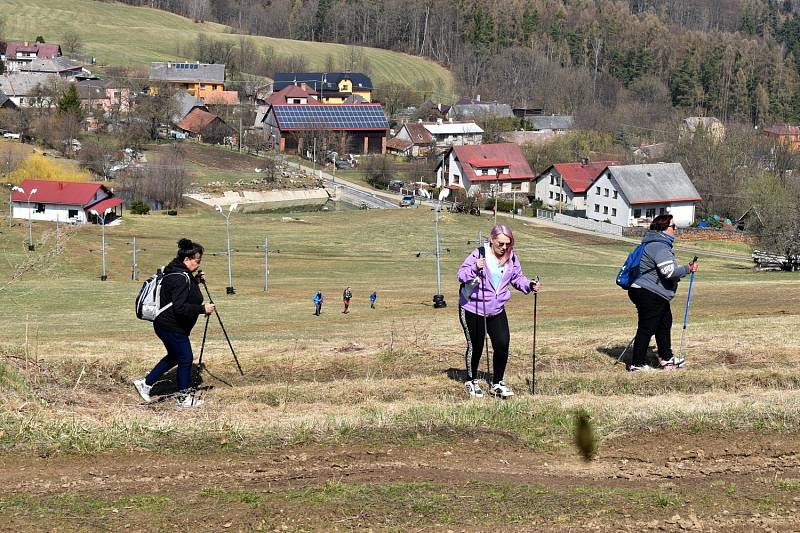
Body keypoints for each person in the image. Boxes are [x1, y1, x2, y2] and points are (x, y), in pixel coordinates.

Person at [457, 224, 540, 398]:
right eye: (500, 244)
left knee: (502, 344)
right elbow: (461, 275)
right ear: (492, 240)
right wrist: (474, 268)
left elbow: (517, 278)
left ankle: (497, 383)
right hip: (473, 307)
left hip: (496, 308)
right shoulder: (479, 254)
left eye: (507, 244)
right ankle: (471, 381)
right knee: (476, 345)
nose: (504, 248)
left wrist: (529, 285)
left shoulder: (512, 258)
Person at [133, 238, 215, 407]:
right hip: (171, 326)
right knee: (185, 359)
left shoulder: (177, 272)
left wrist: (195, 280)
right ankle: (184, 397)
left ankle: (145, 383)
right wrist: (202, 309)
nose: (198, 264)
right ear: (187, 260)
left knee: (174, 357)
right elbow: (179, 307)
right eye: (197, 261)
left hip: (167, 325)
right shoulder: (180, 277)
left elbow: (182, 293)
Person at [627, 214, 697, 372]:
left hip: (650, 292)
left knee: (664, 323)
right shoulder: (659, 246)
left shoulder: (654, 243)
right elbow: (669, 272)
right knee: (647, 327)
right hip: (648, 292)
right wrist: (688, 268)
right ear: (664, 229)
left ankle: (666, 358)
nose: (676, 230)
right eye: (673, 227)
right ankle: (637, 364)